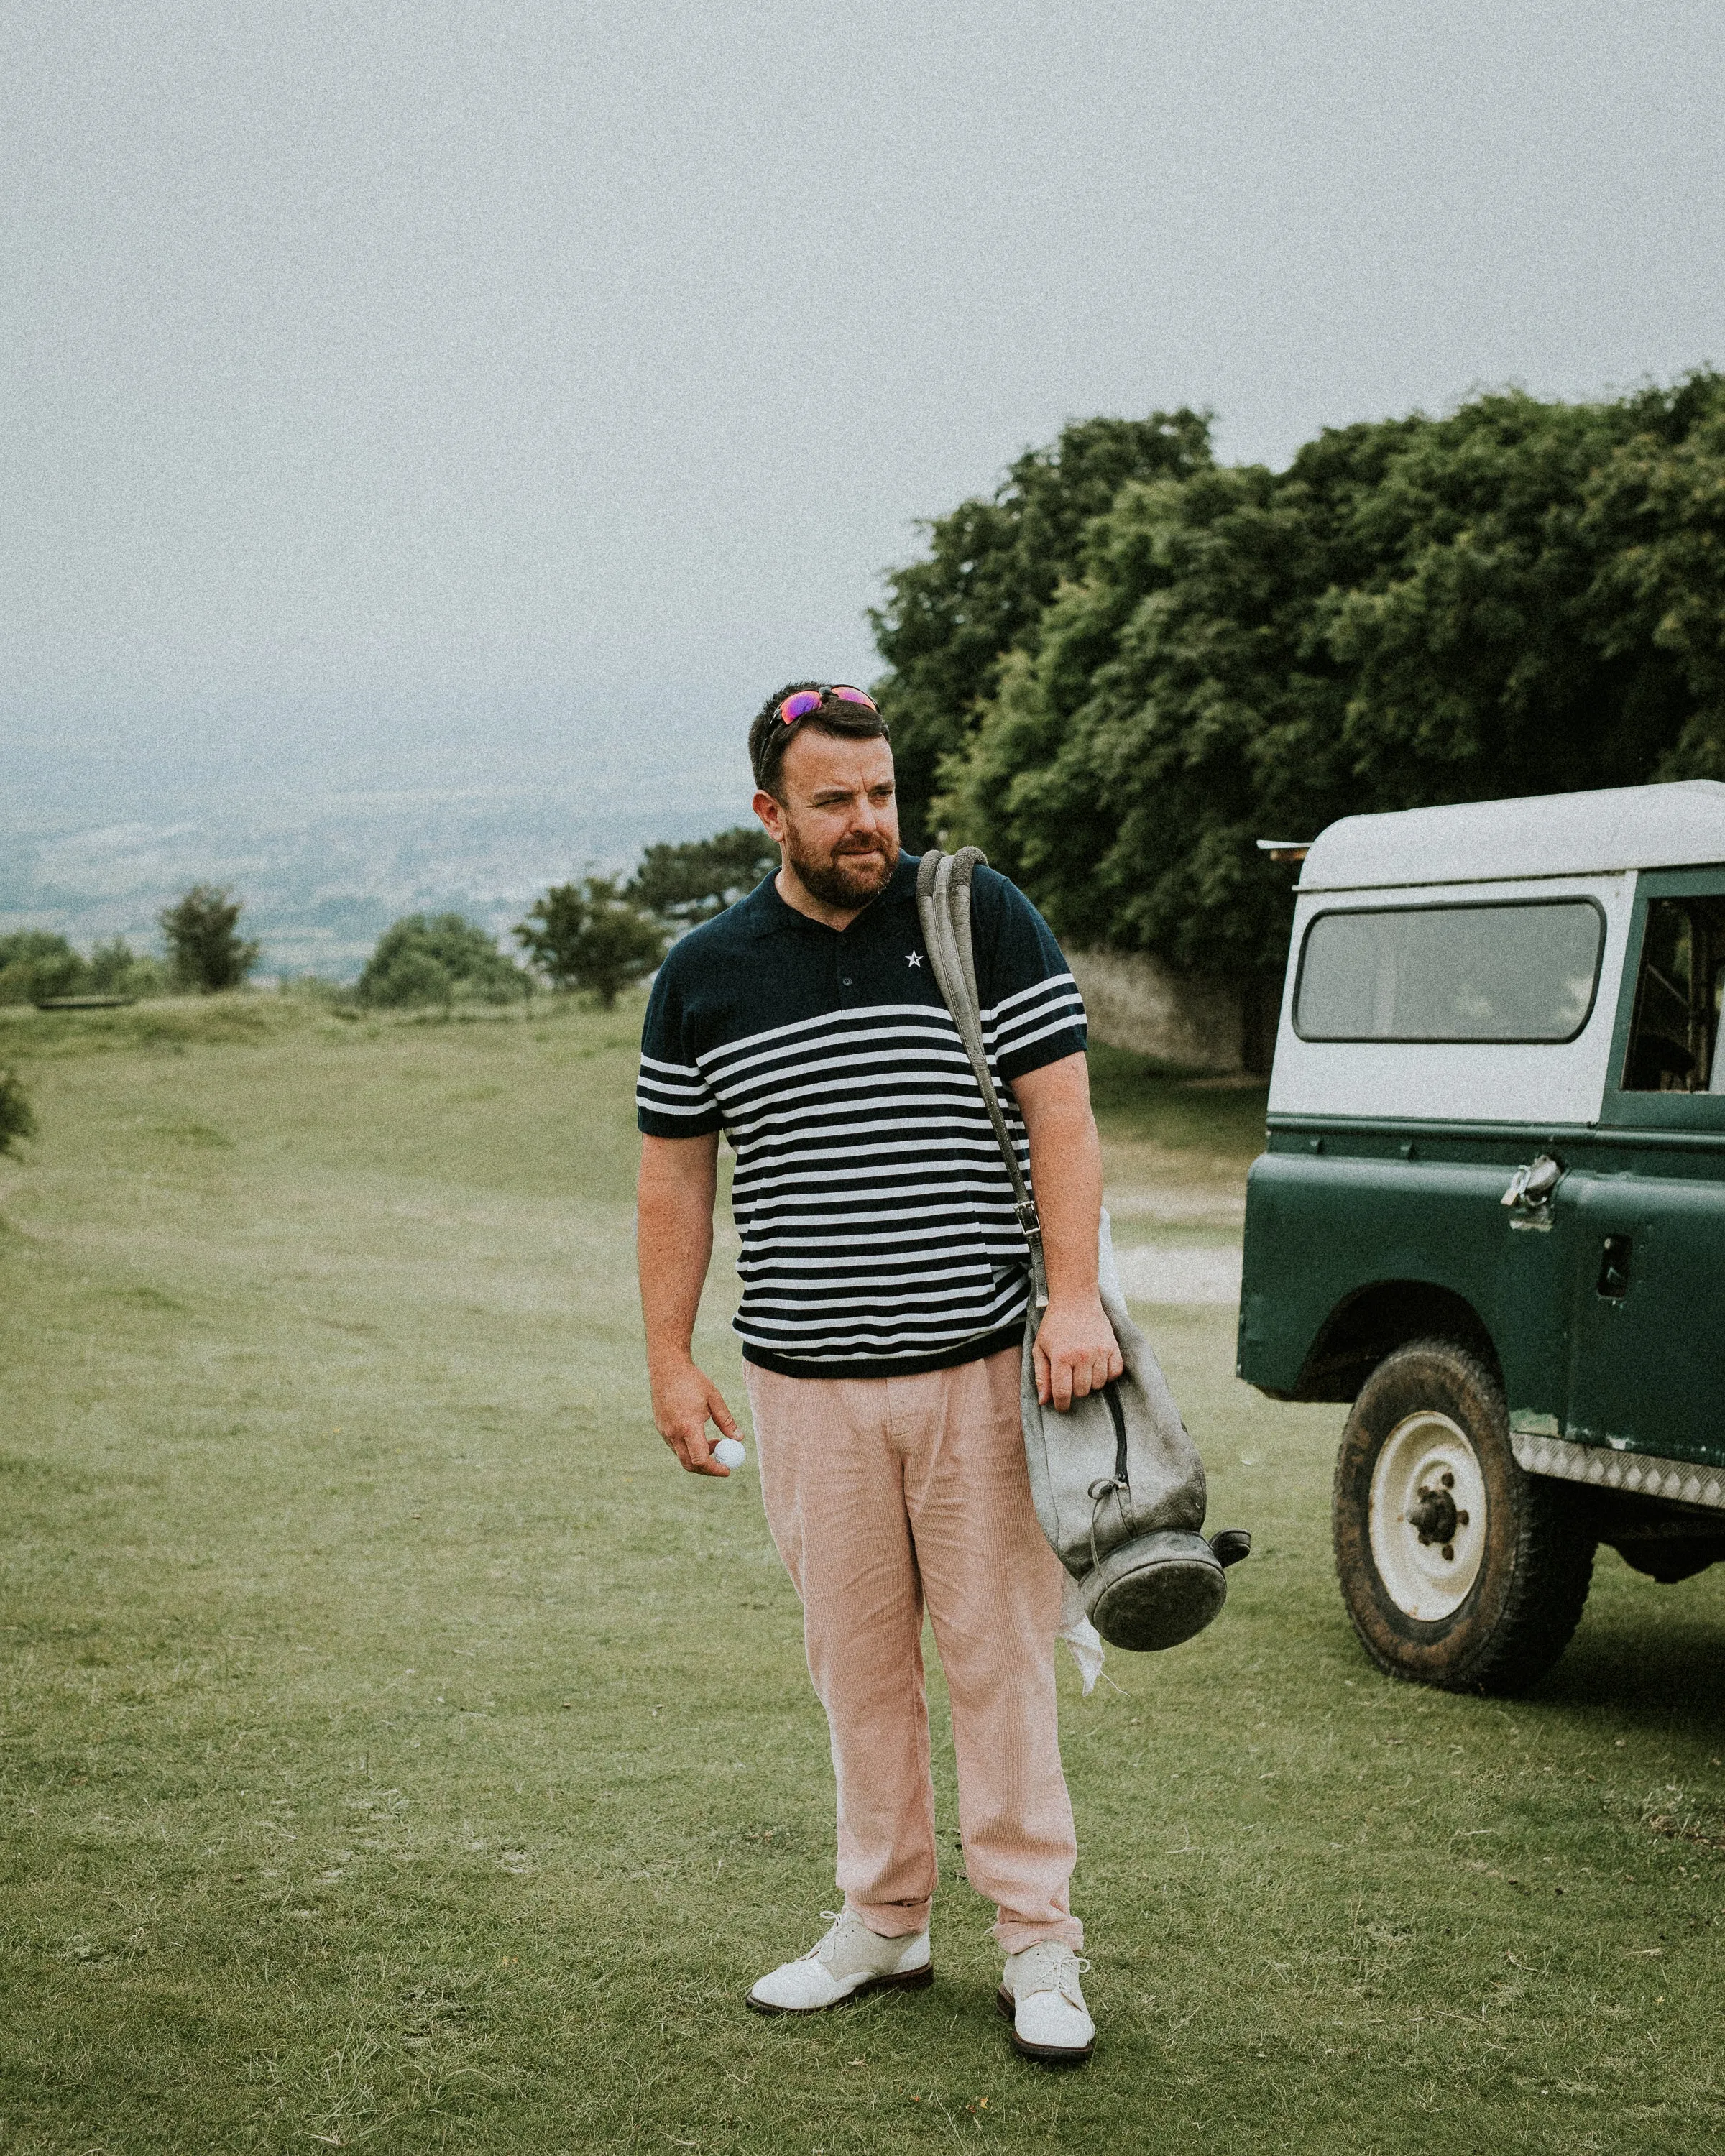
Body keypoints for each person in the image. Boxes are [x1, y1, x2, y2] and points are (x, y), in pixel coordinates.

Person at [634, 681, 1123, 2065]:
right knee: (855, 1670)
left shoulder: (980, 914)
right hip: (804, 1392)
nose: (870, 824)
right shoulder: (706, 972)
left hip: (981, 1371)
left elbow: (1065, 1111)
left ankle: (1038, 1944)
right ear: (769, 812)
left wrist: (1072, 1298)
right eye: (836, 800)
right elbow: (677, 1184)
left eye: (884, 793)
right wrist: (670, 1358)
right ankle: (885, 1923)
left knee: (997, 1661)